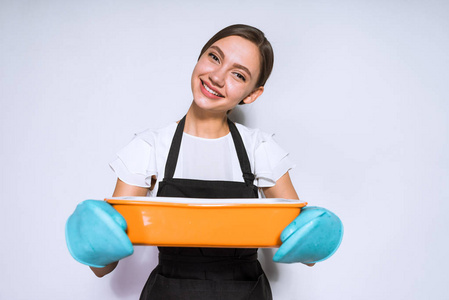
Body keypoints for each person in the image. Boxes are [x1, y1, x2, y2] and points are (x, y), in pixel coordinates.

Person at [66, 24, 343, 300]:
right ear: (200, 57)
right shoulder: (149, 147)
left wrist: (317, 236)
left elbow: (303, 249)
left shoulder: (260, 149)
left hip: (245, 293)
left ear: (252, 94)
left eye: (238, 74)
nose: (217, 77)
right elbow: (103, 267)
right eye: (214, 57)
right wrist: (93, 239)